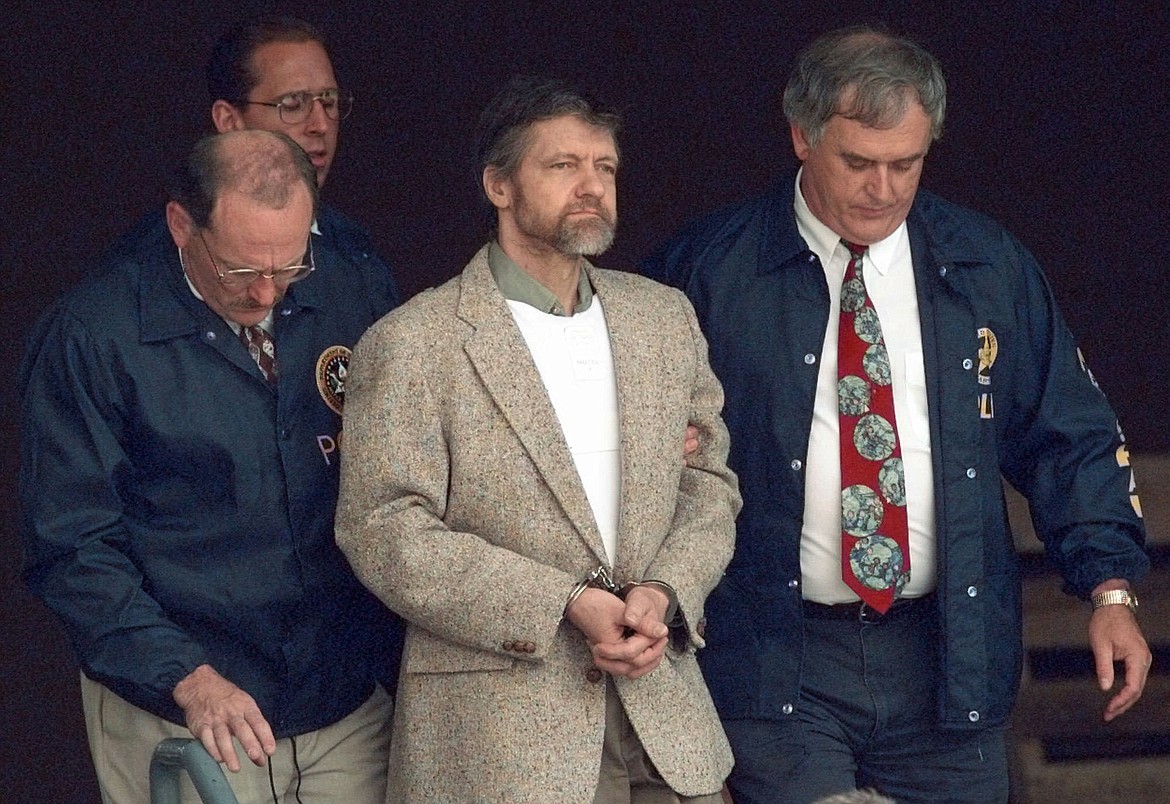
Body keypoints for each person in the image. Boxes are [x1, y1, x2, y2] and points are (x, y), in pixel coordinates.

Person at [643, 26, 1150, 804]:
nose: (883, 188)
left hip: (948, 654)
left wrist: (1109, 585)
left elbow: (1069, 434)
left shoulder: (987, 265)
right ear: (801, 136)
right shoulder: (706, 269)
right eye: (859, 162)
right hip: (778, 654)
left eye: (905, 163)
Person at [335, 76, 742, 803]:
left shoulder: (662, 318)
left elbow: (708, 482)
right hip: (497, 742)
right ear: (499, 185)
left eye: (604, 167)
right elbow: (382, 528)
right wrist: (563, 602)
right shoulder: (413, 342)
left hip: (664, 715)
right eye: (562, 166)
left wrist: (665, 591)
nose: (590, 185)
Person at [20, 130, 401, 803]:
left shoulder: (354, 285)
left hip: (340, 694)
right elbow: (72, 545)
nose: (265, 294)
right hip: (183, 699)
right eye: (238, 269)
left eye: (289, 268)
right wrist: (187, 678)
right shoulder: (93, 335)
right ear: (179, 225)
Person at [106, 14, 400, 307]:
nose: (320, 124)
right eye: (293, 105)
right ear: (229, 120)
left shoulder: (353, 249)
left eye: (329, 101)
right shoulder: (141, 268)